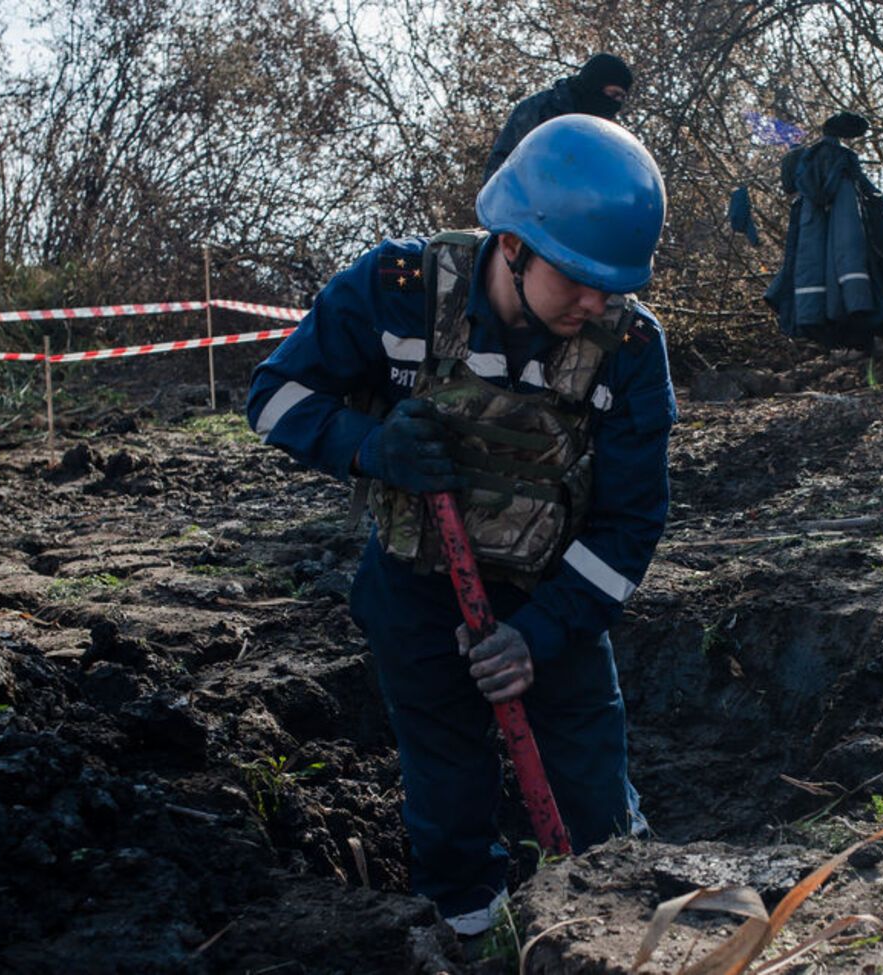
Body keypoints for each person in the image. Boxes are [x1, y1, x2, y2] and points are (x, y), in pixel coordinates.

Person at [247, 115, 675, 933]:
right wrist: (371, 446)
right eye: (578, 278)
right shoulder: (399, 290)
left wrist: (540, 635)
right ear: (512, 245)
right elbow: (273, 396)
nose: (595, 302)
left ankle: (615, 933)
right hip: (414, 587)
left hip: (557, 594)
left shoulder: (627, 348)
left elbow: (630, 525)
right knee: (447, 789)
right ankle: (472, 930)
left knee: (596, 801)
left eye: (613, 285)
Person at [763, 111, 883, 351]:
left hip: (822, 306)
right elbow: (849, 243)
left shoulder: (811, 191)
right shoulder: (842, 176)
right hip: (846, 302)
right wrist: (860, 298)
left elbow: (827, 250)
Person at [481, 53, 633, 185]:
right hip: (530, 208)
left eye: (621, 98)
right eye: (613, 95)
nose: (616, 104)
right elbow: (503, 163)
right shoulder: (540, 109)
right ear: (595, 85)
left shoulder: (605, 132)